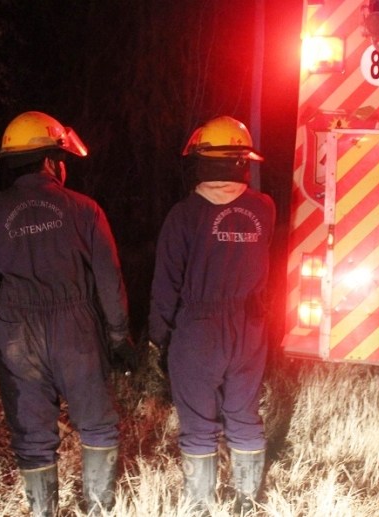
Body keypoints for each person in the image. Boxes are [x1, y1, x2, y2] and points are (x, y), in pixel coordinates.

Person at [0, 111, 135, 516]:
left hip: (15, 335)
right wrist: (119, 336)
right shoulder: (84, 209)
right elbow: (110, 278)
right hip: (76, 331)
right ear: (52, 162)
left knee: (33, 436)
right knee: (97, 424)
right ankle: (99, 508)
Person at [148, 116, 275, 514]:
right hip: (250, 327)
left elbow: (166, 283)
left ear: (201, 160)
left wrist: (158, 337)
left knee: (199, 423)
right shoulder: (264, 208)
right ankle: (247, 502)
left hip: (199, 330)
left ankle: (201, 506)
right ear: (242, 161)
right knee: (244, 413)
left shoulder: (183, 215)